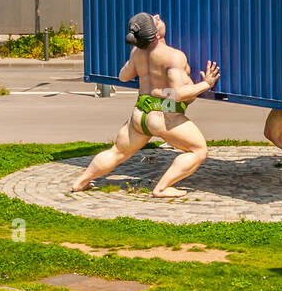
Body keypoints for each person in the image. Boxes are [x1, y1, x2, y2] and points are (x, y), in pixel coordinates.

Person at [71, 12, 220, 198]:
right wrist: (207, 84)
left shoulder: (137, 52)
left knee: (117, 152)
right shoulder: (173, 57)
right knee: (199, 151)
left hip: (139, 113)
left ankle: (80, 182)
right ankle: (162, 188)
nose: (158, 16)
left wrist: (138, 61)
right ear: (156, 34)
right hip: (164, 113)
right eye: (155, 20)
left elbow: (123, 76)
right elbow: (180, 95)